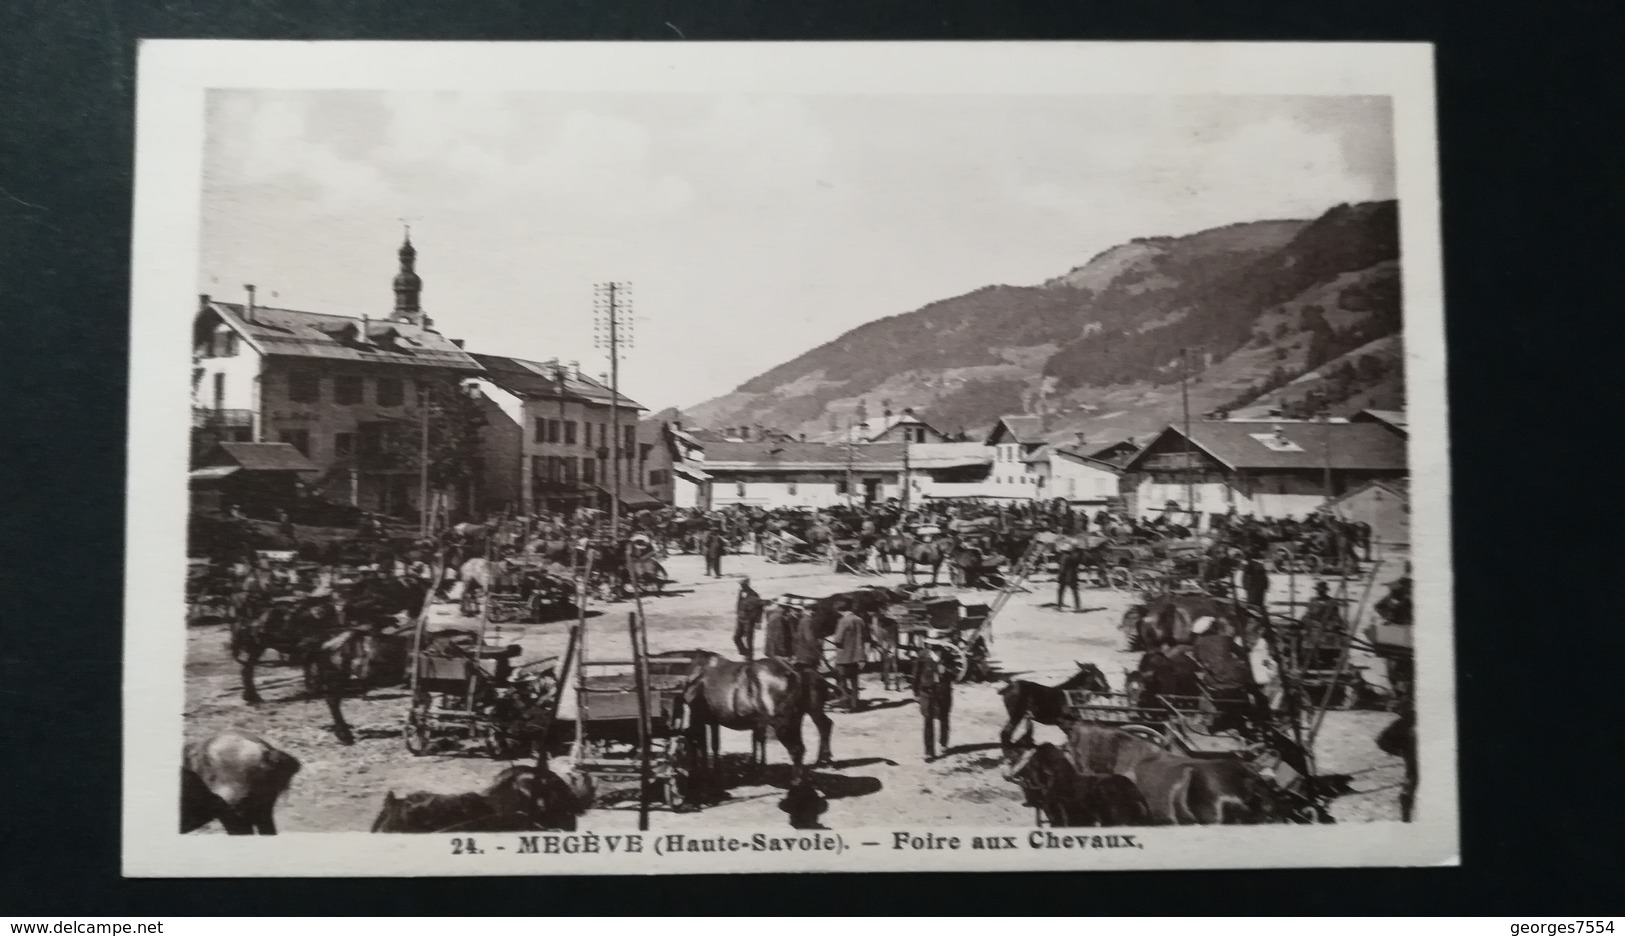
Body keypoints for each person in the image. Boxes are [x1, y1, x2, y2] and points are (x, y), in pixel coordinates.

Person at [913, 647, 953, 760]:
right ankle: (929, 751)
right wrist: (916, 692)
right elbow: (916, 674)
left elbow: (957, 674)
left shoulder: (948, 656)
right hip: (926, 692)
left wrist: (946, 671)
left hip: (943, 692)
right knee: (928, 719)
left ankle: (943, 743)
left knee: (944, 717)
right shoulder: (922, 657)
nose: (937, 652)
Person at [831, 601, 867, 711]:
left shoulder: (842, 621)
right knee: (854, 682)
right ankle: (854, 705)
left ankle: (845, 702)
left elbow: (838, 639)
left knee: (841, 681)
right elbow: (864, 637)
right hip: (856, 656)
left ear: (839, 610)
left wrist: (834, 639)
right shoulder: (859, 620)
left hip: (843, 656)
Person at [735, 578, 765, 659]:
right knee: (736, 637)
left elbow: (760, 608)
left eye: (743, 584)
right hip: (740, 618)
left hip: (749, 620)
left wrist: (758, 621)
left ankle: (750, 656)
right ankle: (744, 652)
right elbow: (739, 603)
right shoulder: (741, 592)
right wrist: (738, 613)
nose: (741, 586)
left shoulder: (754, 595)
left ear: (747, 584)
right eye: (741, 584)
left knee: (749, 638)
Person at [1055, 541, 1083, 611]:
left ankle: (1059, 606)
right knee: (1075, 592)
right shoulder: (1073, 557)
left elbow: (1062, 568)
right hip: (1072, 576)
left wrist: (1059, 576)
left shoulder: (1063, 557)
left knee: (1061, 591)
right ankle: (1078, 607)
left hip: (1064, 576)